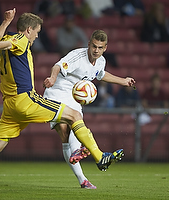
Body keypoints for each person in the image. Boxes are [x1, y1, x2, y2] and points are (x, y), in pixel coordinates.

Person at [0, 8, 132, 196]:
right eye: (37, 32)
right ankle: (100, 157)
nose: (37, 37)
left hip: (10, 106)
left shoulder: (9, 39)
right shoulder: (21, 39)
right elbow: (2, 44)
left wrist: (5, 24)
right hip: (26, 99)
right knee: (74, 115)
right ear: (29, 29)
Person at [43, 30, 135, 189]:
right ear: (89, 44)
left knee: (67, 135)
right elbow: (58, 65)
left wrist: (123, 81)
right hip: (57, 93)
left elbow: (100, 74)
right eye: (94, 46)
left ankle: (82, 176)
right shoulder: (77, 56)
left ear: (105, 48)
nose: (96, 50)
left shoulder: (101, 61)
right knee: (66, 129)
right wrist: (52, 78)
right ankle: (82, 154)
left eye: (100, 47)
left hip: (74, 98)